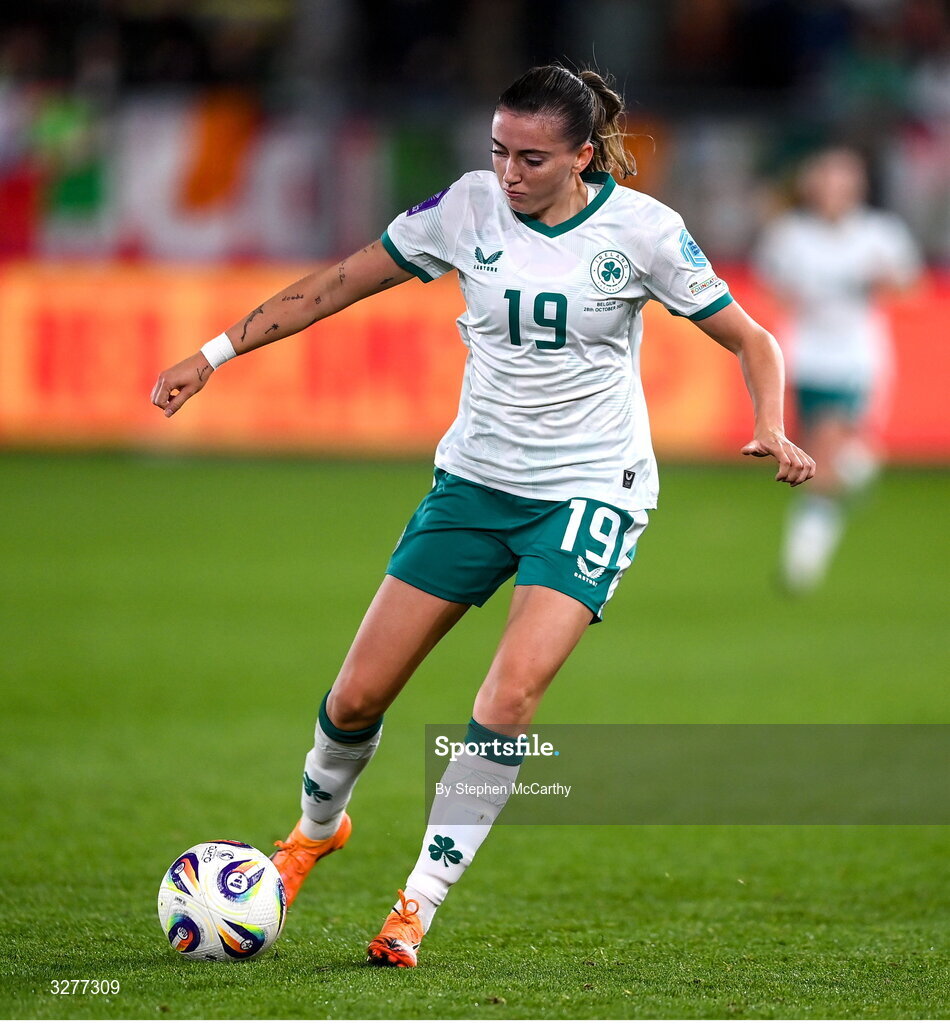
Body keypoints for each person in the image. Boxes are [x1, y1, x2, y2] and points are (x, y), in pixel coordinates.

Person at [151, 64, 814, 968]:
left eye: (533, 158)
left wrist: (771, 425)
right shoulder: (465, 210)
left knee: (506, 699)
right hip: (473, 483)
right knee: (355, 697)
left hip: (591, 490)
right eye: (498, 151)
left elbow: (752, 337)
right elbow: (338, 283)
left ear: (582, 155)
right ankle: (310, 836)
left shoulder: (643, 232)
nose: (509, 173)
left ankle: (415, 905)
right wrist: (215, 352)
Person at [754, 147, 921, 592]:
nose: (832, 190)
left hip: (856, 360)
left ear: (856, 187)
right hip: (806, 359)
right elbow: (774, 289)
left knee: (821, 460)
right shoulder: (789, 235)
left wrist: (884, 280)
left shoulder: (878, 233)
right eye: (824, 181)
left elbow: (909, 285)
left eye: (841, 182)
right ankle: (859, 465)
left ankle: (800, 566)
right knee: (829, 455)